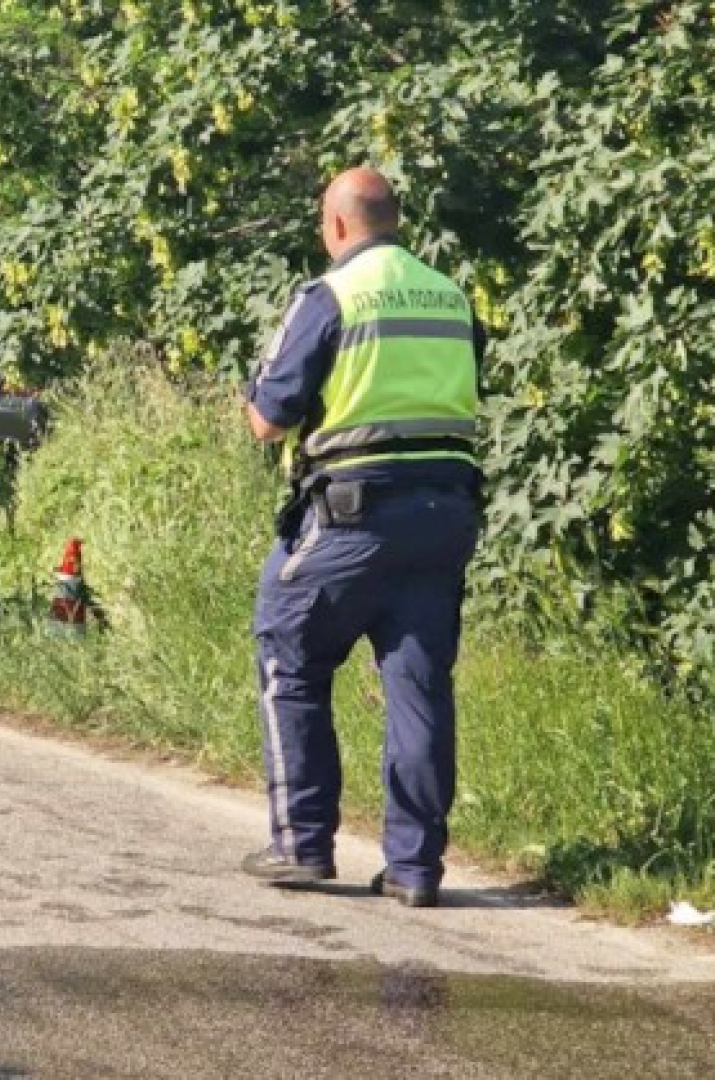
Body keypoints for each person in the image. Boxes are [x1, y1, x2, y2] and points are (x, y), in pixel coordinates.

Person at [238, 166, 484, 909]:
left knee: (289, 653)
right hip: (445, 515)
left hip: (351, 515)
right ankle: (414, 868)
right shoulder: (450, 295)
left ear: (337, 227)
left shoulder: (328, 297)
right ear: (395, 221)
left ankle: (303, 844)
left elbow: (267, 420)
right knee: (417, 685)